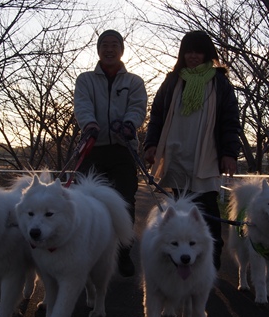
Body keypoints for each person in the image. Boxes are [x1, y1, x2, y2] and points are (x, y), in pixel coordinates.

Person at [143, 30, 241, 270]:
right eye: (189, 51)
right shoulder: (173, 80)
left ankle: (211, 264)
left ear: (208, 54)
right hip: (177, 153)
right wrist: (151, 144)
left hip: (206, 153)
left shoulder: (219, 82)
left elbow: (230, 120)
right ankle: (181, 261)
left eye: (198, 51)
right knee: (180, 209)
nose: (193, 56)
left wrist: (229, 153)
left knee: (207, 208)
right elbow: (156, 116)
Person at [73, 29, 148, 277]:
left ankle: (124, 253)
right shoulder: (85, 79)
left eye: (114, 44)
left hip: (123, 149)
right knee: (86, 201)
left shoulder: (134, 81)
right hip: (92, 148)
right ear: (98, 50)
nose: (109, 49)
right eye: (104, 44)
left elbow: (138, 108)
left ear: (122, 50)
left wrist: (129, 125)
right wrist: (89, 125)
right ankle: (86, 251)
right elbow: (82, 105)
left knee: (125, 200)